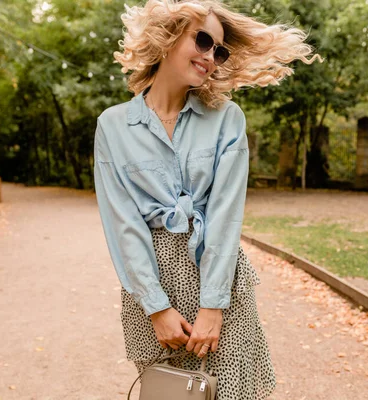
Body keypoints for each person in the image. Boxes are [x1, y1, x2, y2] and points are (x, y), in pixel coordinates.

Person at [93, 0, 320, 398]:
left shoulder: (227, 118)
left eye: (219, 50)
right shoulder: (112, 126)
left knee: (232, 393)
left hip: (219, 285)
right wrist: (156, 307)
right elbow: (122, 224)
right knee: (168, 394)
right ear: (166, 36)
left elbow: (225, 216)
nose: (210, 57)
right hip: (151, 291)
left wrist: (213, 306)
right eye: (202, 41)